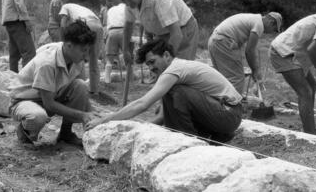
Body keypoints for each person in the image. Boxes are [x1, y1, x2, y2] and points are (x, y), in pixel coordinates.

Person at [86, 39, 243, 142]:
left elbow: (142, 104)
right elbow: (162, 116)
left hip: (229, 114)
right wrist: (140, 132)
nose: (151, 68)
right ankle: (211, 136)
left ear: (167, 55)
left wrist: (105, 119)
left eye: (153, 61)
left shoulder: (173, 71)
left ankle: (187, 142)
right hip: (227, 114)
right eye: (148, 65)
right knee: (170, 99)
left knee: (178, 93)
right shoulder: (177, 70)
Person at [9, 20, 99, 146]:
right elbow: (49, 104)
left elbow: (81, 94)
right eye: (83, 50)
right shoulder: (47, 62)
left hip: (49, 94)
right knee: (37, 117)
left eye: (87, 50)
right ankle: (25, 131)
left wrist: (94, 116)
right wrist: (83, 115)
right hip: (25, 100)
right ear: (69, 45)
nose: (86, 56)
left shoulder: (76, 59)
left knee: (81, 85)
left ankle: (65, 134)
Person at [108, 0, 199, 67]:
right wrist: (125, 51)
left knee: (179, 71)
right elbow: (129, 25)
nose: (127, 3)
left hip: (183, 30)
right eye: (123, 0)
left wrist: (167, 61)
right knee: (160, 70)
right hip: (162, 33)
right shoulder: (130, 2)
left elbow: (176, 34)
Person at [269, 13, 316, 134]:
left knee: (312, 86)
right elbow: (313, 50)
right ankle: (310, 134)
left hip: (295, 54)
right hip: (283, 51)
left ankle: (310, 127)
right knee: (305, 92)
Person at [208, 12, 282, 94]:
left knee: (221, 78)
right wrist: (255, 70)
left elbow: (249, 48)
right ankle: (232, 105)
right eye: (274, 29)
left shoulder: (253, 19)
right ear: (271, 22)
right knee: (236, 79)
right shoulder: (259, 25)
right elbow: (249, 51)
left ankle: (217, 103)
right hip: (224, 41)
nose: (271, 32)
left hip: (214, 40)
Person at [59, 3, 104, 95]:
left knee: (78, 57)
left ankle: (79, 89)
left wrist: (63, 41)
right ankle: (94, 90)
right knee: (93, 59)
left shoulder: (65, 6)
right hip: (98, 26)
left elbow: (63, 24)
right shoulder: (80, 8)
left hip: (86, 23)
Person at [1, 0, 36, 73]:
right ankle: (26, 82)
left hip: (8, 21)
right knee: (29, 52)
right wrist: (26, 20)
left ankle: (13, 79)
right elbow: (19, 2)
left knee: (14, 55)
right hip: (17, 21)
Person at [104, 2, 129, 83]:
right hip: (123, 31)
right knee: (127, 55)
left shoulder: (111, 9)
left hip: (111, 31)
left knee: (109, 59)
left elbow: (106, 23)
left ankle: (107, 80)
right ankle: (130, 79)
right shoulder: (126, 7)